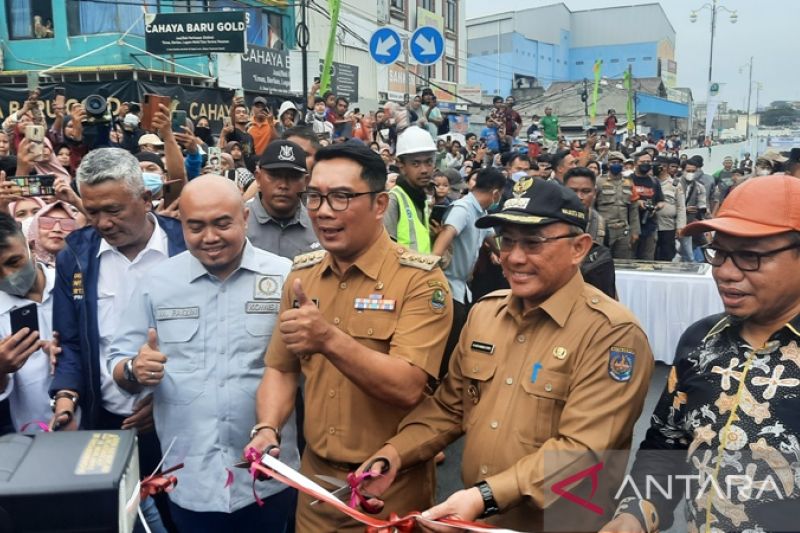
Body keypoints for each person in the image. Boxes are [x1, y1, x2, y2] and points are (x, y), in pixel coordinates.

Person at [358, 177, 654, 532]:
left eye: (533, 243)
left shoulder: (612, 334)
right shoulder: (485, 314)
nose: (514, 257)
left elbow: (581, 451)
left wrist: (482, 496)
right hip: (477, 520)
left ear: (579, 248)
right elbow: (451, 407)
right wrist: (394, 453)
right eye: (507, 241)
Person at [245, 142, 452, 531]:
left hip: (389, 492)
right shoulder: (301, 276)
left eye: (341, 197)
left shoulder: (420, 281)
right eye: (315, 197)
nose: (323, 211)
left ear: (379, 205)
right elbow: (281, 368)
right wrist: (268, 427)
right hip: (317, 487)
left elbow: (408, 386)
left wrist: (328, 339)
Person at [600, 174, 800, 533]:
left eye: (749, 256)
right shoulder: (700, 341)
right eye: (719, 252)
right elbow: (667, 443)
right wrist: (636, 513)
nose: (724, 271)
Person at [108, 175, 298, 532]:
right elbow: (118, 361)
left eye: (222, 223)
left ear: (245, 217)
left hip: (268, 476)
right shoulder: (157, 284)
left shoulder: (286, 277)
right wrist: (134, 369)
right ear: (181, 224)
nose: (209, 237)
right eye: (196, 226)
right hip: (189, 479)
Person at [48, 148, 186, 531]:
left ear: (146, 199)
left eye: (114, 210)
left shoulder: (185, 246)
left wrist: (162, 401)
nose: (103, 223)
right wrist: (65, 401)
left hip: (181, 425)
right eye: (92, 212)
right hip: (105, 423)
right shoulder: (75, 255)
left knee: (179, 517)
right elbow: (71, 342)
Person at [432, 167, 504, 376]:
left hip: (462, 289)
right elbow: (447, 235)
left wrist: (504, 254)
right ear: (496, 193)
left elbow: (492, 239)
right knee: (447, 347)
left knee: (456, 342)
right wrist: (431, 269)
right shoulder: (463, 209)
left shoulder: (481, 212)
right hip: (447, 287)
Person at [0, 212, 53, 432]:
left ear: (31, 247)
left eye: (14, 261)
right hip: (33, 436)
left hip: (96, 426)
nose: (7, 275)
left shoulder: (72, 286)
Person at [246, 140, 319, 260]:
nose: (283, 185)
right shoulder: (238, 222)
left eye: (293, 177)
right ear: (258, 178)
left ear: (306, 182)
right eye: (274, 175)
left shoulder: (319, 224)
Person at [564, 167, 616, 298]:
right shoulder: (552, 222)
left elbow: (605, 264)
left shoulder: (601, 224)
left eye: (586, 191)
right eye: (573, 191)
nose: (579, 197)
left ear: (595, 193)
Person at [384, 126, 437, 253]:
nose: (424, 170)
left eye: (429, 162)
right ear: (401, 165)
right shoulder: (393, 200)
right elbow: (385, 251)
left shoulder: (420, 198)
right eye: (416, 164)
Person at [595, 151, 640, 259]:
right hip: (604, 230)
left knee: (624, 261)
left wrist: (635, 231)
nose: (616, 164)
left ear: (623, 165)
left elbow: (634, 210)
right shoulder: (599, 182)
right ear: (608, 164)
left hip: (623, 230)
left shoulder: (629, 183)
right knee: (602, 260)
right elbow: (592, 207)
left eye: (619, 162)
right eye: (613, 162)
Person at [23, 201, 80, 267]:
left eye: (67, 224)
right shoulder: (22, 266)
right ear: (35, 228)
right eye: (47, 222)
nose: (57, 229)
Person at [632, 152, 664, 261]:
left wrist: (656, 207)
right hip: (632, 225)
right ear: (636, 163)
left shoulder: (654, 181)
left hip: (650, 226)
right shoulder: (627, 180)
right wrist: (637, 203)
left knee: (647, 259)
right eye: (642, 162)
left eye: (648, 162)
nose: (646, 164)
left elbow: (661, 201)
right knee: (629, 258)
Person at [654, 157, 686, 262]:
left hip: (668, 226)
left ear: (667, 168)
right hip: (652, 225)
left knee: (667, 255)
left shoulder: (675, 185)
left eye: (663, 166)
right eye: (658, 165)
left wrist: (680, 227)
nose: (660, 168)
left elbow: (681, 207)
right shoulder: (651, 182)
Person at [677, 162, 708, 263]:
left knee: (689, 254)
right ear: (682, 170)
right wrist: (684, 209)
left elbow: (702, 205)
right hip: (673, 223)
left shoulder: (699, 187)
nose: (690, 173)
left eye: (693, 171)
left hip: (689, 223)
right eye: (688, 171)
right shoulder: (675, 184)